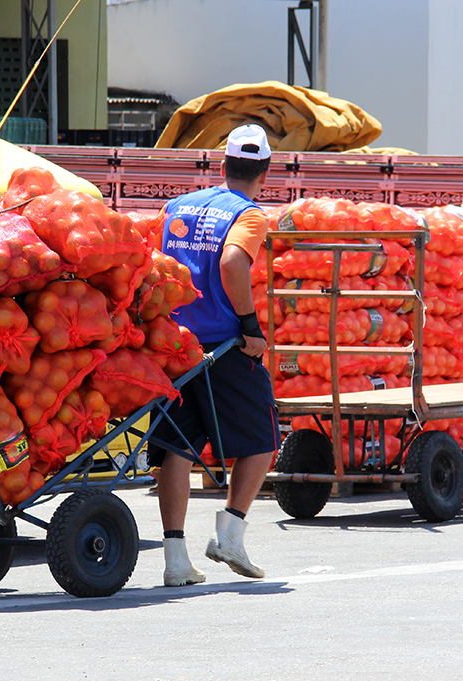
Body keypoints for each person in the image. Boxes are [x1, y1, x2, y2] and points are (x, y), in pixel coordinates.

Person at [150, 124, 280, 587]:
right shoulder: (249, 216)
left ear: (222, 166)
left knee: (177, 449)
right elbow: (230, 262)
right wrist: (249, 326)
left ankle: (175, 560)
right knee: (263, 437)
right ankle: (230, 533)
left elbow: (153, 262)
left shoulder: (176, 207)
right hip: (223, 345)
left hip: (173, 345)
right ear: (265, 172)